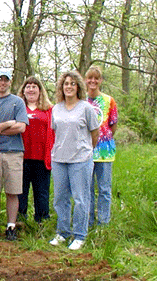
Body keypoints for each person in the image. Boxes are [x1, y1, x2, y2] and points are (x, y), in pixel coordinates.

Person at [49, 71, 99, 250]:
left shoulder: (86, 108)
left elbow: (95, 134)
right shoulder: (56, 108)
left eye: (72, 84)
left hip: (81, 160)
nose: (68, 87)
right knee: (60, 198)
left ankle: (79, 235)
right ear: (61, 87)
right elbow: (56, 132)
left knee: (80, 198)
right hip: (59, 159)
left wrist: (85, 151)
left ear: (78, 87)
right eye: (66, 84)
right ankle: (63, 232)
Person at [0, 68, 28, 242]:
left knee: (13, 192)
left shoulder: (18, 102)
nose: (2, 83)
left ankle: (11, 226)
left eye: (6, 80)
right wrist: (8, 124)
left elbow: (21, 127)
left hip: (14, 152)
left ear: (10, 82)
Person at [17, 76, 55, 223]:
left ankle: (42, 221)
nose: (31, 89)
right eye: (28, 86)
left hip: (41, 158)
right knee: (21, 192)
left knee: (42, 192)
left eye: (34, 86)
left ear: (40, 90)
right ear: (24, 90)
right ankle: (20, 220)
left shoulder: (48, 109)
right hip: (21, 157)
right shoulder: (18, 107)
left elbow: (54, 132)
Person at [85, 65, 118, 226]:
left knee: (104, 189)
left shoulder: (108, 100)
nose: (93, 81)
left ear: (100, 81)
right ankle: (88, 221)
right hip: (84, 151)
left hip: (104, 151)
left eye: (96, 78)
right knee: (87, 189)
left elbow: (113, 125)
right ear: (85, 80)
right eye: (90, 78)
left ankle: (103, 223)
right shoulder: (81, 101)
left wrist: (103, 138)